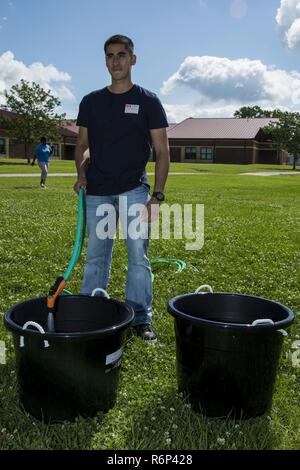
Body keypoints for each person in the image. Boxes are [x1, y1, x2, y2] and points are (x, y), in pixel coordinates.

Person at [74, 34, 170, 343]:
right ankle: (90, 314)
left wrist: (157, 195)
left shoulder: (148, 101)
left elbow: (162, 151)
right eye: (110, 55)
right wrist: (82, 171)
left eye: (122, 55)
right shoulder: (91, 102)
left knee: (137, 257)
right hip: (98, 191)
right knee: (96, 257)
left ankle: (140, 317)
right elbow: (83, 147)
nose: (115, 61)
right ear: (105, 60)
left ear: (133, 59)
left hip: (134, 190)